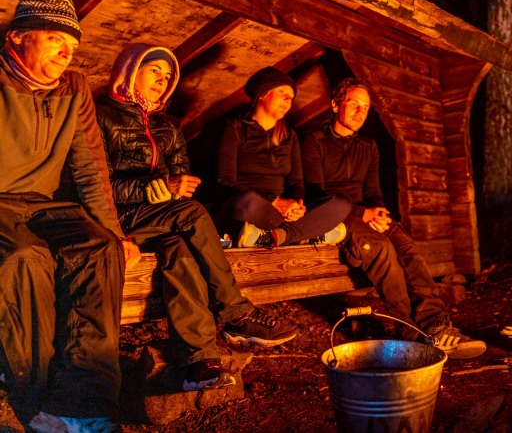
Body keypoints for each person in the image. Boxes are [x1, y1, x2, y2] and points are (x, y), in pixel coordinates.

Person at [95, 44, 298, 392]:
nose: (163, 80)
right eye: (153, 71)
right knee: (193, 213)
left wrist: (176, 187)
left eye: (167, 75)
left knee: (179, 251)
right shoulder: (101, 116)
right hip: (116, 217)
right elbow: (95, 183)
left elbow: (181, 180)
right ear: (129, 72)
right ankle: (235, 313)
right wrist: (151, 188)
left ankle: (197, 361)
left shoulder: (169, 126)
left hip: (162, 219)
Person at [0, 0, 140, 432]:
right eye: (55, 39)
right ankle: (34, 400)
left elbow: (89, 166)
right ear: (19, 37)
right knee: (27, 259)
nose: (66, 52)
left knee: (100, 248)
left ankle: (84, 402)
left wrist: (114, 232)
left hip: (45, 204)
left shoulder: (74, 87)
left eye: (73, 46)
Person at [302, 77, 486, 359]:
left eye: (365, 107)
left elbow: (373, 191)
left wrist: (378, 211)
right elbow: (315, 194)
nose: (360, 112)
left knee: (410, 252)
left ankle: (436, 326)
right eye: (353, 104)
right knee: (383, 252)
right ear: (335, 104)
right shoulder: (315, 141)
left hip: (365, 215)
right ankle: (414, 335)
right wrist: (361, 213)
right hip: (333, 216)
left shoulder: (368, 146)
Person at [215, 67, 351, 248]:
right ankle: (307, 233)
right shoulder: (235, 129)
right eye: (282, 92)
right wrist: (273, 201)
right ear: (262, 95)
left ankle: (277, 236)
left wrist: (297, 205)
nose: (289, 99)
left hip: (281, 214)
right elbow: (224, 180)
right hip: (254, 209)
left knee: (341, 203)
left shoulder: (289, 136)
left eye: (291, 96)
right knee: (248, 202)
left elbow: (297, 183)